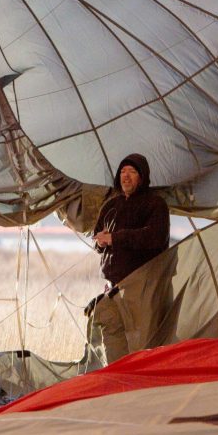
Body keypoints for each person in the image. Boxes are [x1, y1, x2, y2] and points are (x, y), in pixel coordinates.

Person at [86, 153, 169, 366]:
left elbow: (154, 237)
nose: (126, 176)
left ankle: (141, 384)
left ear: (142, 177)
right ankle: (116, 378)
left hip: (141, 283)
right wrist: (101, 243)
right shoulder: (111, 206)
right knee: (108, 327)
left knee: (140, 338)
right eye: (123, 172)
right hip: (112, 286)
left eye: (132, 172)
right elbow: (97, 237)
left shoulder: (155, 204)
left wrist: (115, 238)